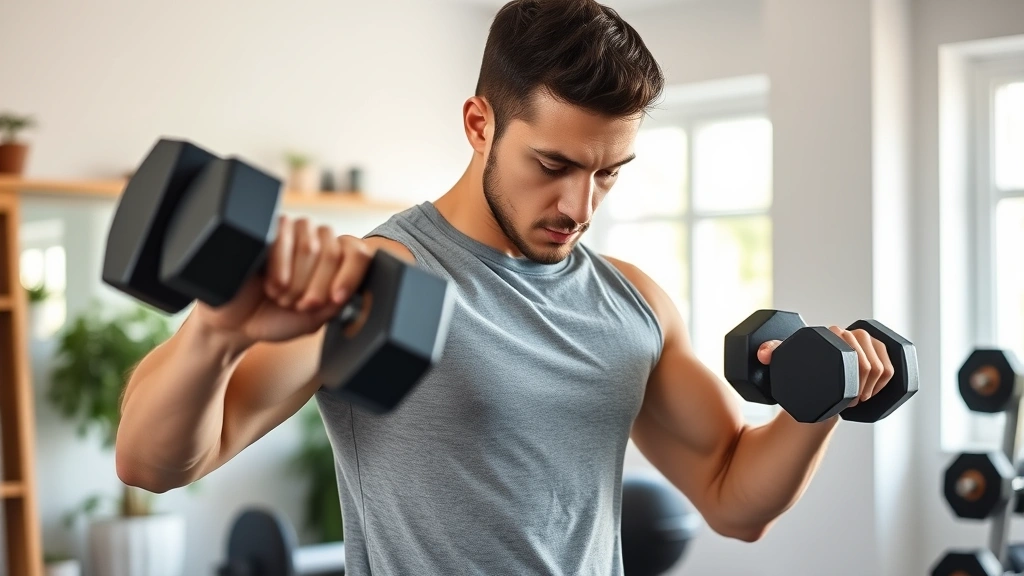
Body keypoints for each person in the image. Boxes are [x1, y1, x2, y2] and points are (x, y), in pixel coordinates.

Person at [115, 1, 896, 574]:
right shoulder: (378, 280)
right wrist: (218, 332)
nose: (578, 208)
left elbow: (733, 499)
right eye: (553, 166)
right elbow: (155, 465)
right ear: (479, 123)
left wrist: (818, 402)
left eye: (607, 175)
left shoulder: (634, 304)